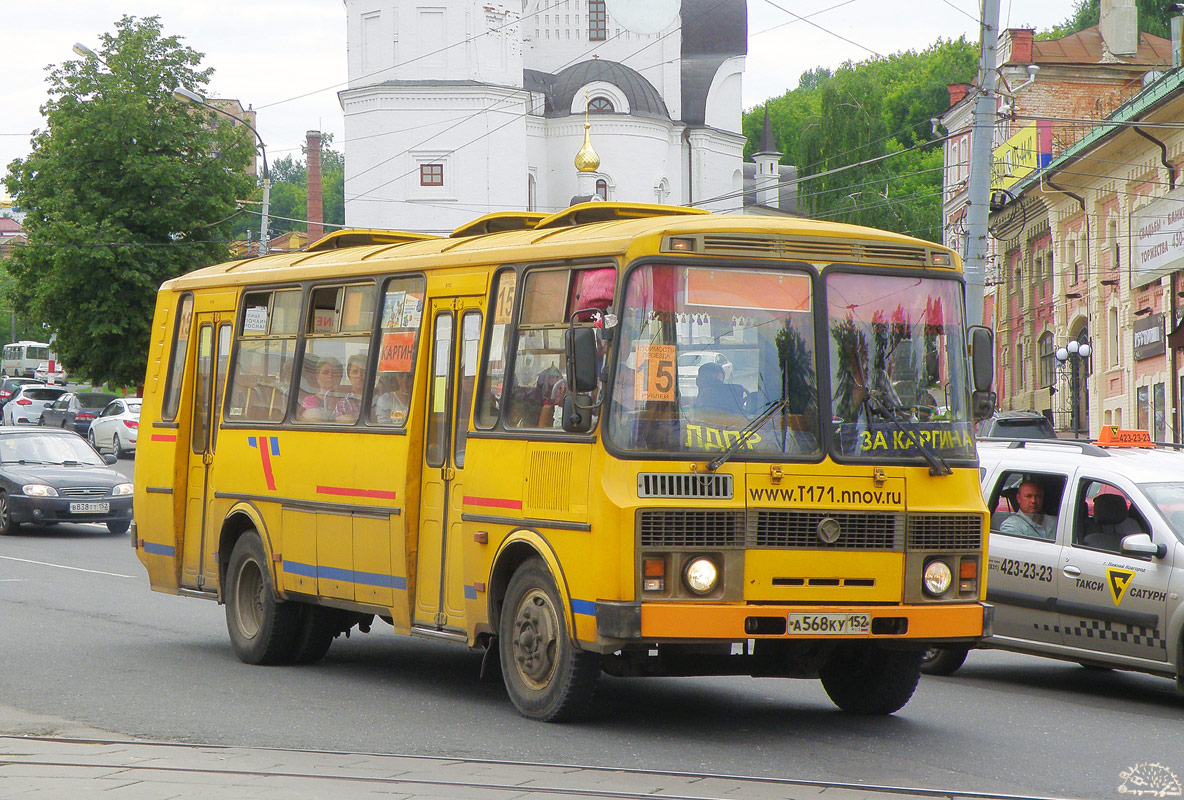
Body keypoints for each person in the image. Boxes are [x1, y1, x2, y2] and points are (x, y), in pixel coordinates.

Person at [299, 357, 343, 421]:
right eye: (325, 372)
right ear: (317, 376)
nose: (330, 376)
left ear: (340, 377)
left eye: (335, 372)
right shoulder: (310, 401)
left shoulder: (347, 399)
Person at [333, 354, 367, 422]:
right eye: (355, 372)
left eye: (363, 371)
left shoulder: (380, 399)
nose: (359, 376)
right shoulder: (344, 403)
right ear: (349, 376)